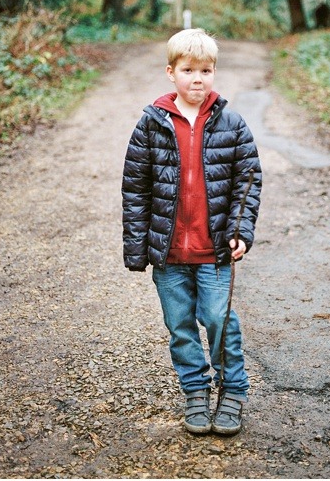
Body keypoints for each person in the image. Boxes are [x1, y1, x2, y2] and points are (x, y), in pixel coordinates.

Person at [121, 28, 261, 436]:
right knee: (180, 325)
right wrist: (137, 249)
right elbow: (135, 188)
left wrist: (241, 231)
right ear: (171, 72)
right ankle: (195, 390)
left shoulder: (232, 124)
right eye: (188, 70)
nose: (197, 79)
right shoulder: (151, 125)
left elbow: (247, 181)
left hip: (214, 250)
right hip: (169, 256)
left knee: (218, 319)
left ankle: (232, 390)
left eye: (206, 70)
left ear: (214, 72)